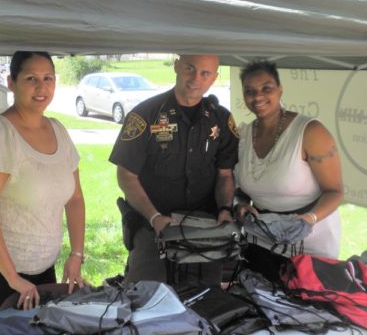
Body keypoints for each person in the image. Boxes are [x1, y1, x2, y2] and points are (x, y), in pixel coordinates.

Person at [0, 51, 86, 318]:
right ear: (11, 82)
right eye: (31, 78)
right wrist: (13, 278)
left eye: (48, 78)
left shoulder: (59, 130)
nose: (41, 87)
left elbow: (75, 199)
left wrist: (76, 254)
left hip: (42, 264)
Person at [109, 54, 239, 286]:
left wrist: (226, 209)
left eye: (205, 73)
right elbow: (126, 175)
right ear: (177, 65)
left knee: (203, 301)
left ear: (214, 78)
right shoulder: (145, 115)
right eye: (190, 68)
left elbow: (225, 174)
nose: (195, 78)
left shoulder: (221, 119)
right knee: (144, 300)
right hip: (154, 229)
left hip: (204, 230)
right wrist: (154, 217)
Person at [234, 60, 343, 259]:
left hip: (310, 241)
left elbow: (335, 192)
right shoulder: (244, 134)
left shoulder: (311, 132)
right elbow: (242, 189)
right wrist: (240, 204)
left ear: (280, 90)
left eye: (266, 88)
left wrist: (309, 219)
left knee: (303, 290)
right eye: (249, 91)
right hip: (261, 237)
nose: (257, 96)